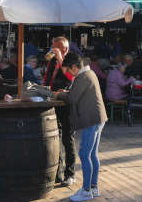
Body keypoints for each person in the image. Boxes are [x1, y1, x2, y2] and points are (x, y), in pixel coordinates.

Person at [55, 52, 108, 201]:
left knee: (85, 154)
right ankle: (93, 187)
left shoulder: (83, 77)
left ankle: (86, 191)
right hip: (98, 118)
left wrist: (58, 95)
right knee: (92, 154)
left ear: (73, 66)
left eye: (68, 70)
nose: (69, 74)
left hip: (92, 119)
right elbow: (75, 93)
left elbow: (72, 98)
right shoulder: (89, 73)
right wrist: (66, 92)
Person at [44, 36, 77, 187]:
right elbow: (47, 79)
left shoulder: (73, 60)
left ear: (64, 48)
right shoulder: (52, 61)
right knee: (54, 137)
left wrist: (60, 58)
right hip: (53, 102)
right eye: (52, 47)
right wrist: (43, 90)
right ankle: (56, 173)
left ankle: (70, 174)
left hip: (68, 105)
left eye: (55, 48)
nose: (53, 50)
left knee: (67, 140)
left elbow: (72, 77)